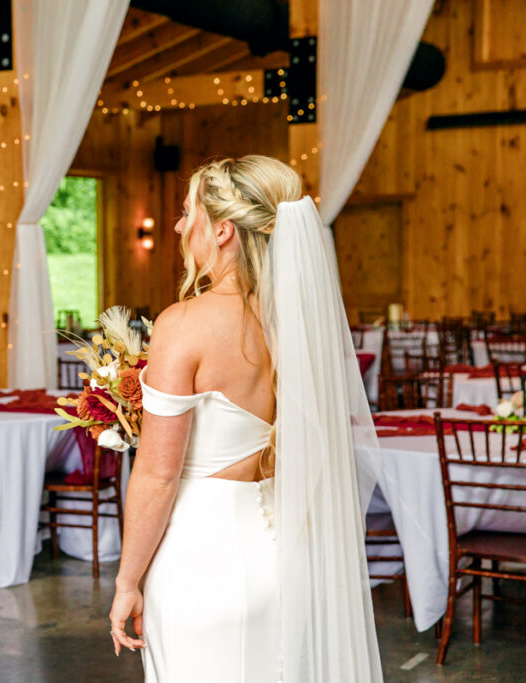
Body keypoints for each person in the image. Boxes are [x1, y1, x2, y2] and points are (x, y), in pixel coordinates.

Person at [108, 156, 383, 681]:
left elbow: (158, 474)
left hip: (202, 562)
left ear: (224, 230)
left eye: (187, 212)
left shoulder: (184, 323)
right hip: (286, 559)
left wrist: (127, 581)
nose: (178, 226)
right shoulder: (298, 325)